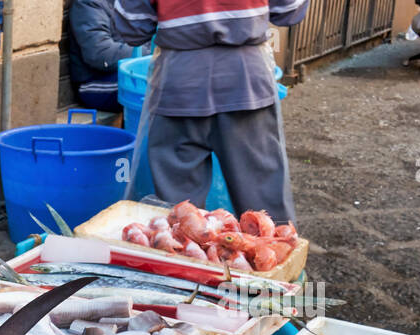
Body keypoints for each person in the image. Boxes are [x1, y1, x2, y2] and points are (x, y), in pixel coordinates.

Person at [112, 0, 309, 223]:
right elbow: (290, 11)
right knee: (267, 221)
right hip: (246, 82)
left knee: (183, 226)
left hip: (179, 83)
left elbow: (132, 27)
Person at [68, 0, 136, 112]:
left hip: (127, 71)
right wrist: (151, 52)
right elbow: (101, 54)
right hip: (95, 82)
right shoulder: (88, 3)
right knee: (155, 86)